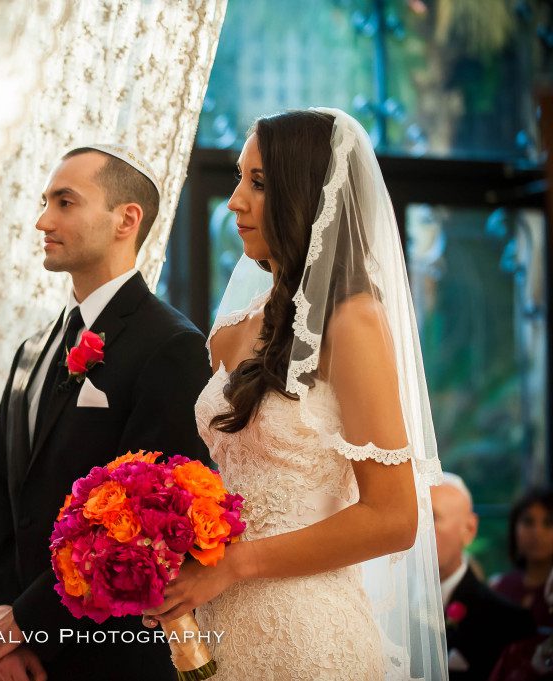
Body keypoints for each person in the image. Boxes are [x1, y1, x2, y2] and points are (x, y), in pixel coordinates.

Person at [143, 108, 448, 679]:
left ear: (305, 195)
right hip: (215, 620)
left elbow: (394, 517)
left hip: (307, 634)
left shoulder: (351, 321)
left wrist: (236, 565)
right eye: (238, 178)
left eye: (258, 183)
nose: (234, 201)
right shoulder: (234, 329)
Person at [0, 144, 212, 680]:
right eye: (45, 202)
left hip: (110, 658)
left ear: (125, 219)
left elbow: (149, 525)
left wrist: (30, 625)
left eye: (64, 202)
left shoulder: (171, 346)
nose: (43, 220)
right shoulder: (32, 350)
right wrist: (2, 637)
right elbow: (1, 497)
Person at [430, 473, 533, 679]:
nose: (419, 531)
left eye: (433, 518)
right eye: (415, 518)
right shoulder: (384, 607)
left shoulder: (509, 622)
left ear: (469, 529)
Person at [492, 489, 553, 632]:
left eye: (549, 523)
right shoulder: (498, 586)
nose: (537, 533)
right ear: (514, 529)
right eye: (528, 522)